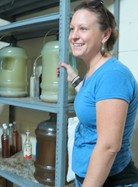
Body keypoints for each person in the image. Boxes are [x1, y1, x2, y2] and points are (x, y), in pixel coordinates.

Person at [58, 1, 138, 187]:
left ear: (105, 34)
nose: (73, 36)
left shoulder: (112, 75)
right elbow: (93, 102)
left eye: (83, 29)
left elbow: (109, 147)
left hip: (109, 181)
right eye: (72, 29)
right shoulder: (95, 71)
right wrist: (74, 78)